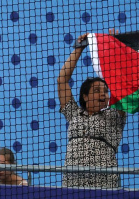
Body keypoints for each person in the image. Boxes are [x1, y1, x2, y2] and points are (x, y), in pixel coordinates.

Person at [57, 33, 126, 188]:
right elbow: (62, 80)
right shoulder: (74, 114)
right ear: (85, 97)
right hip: (73, 181)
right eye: (96, 90)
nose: (103, 94)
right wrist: (79, 48)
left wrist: (113, 47)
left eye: (105, 91)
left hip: (104, 182)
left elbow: (119, 82)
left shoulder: (114, 115)